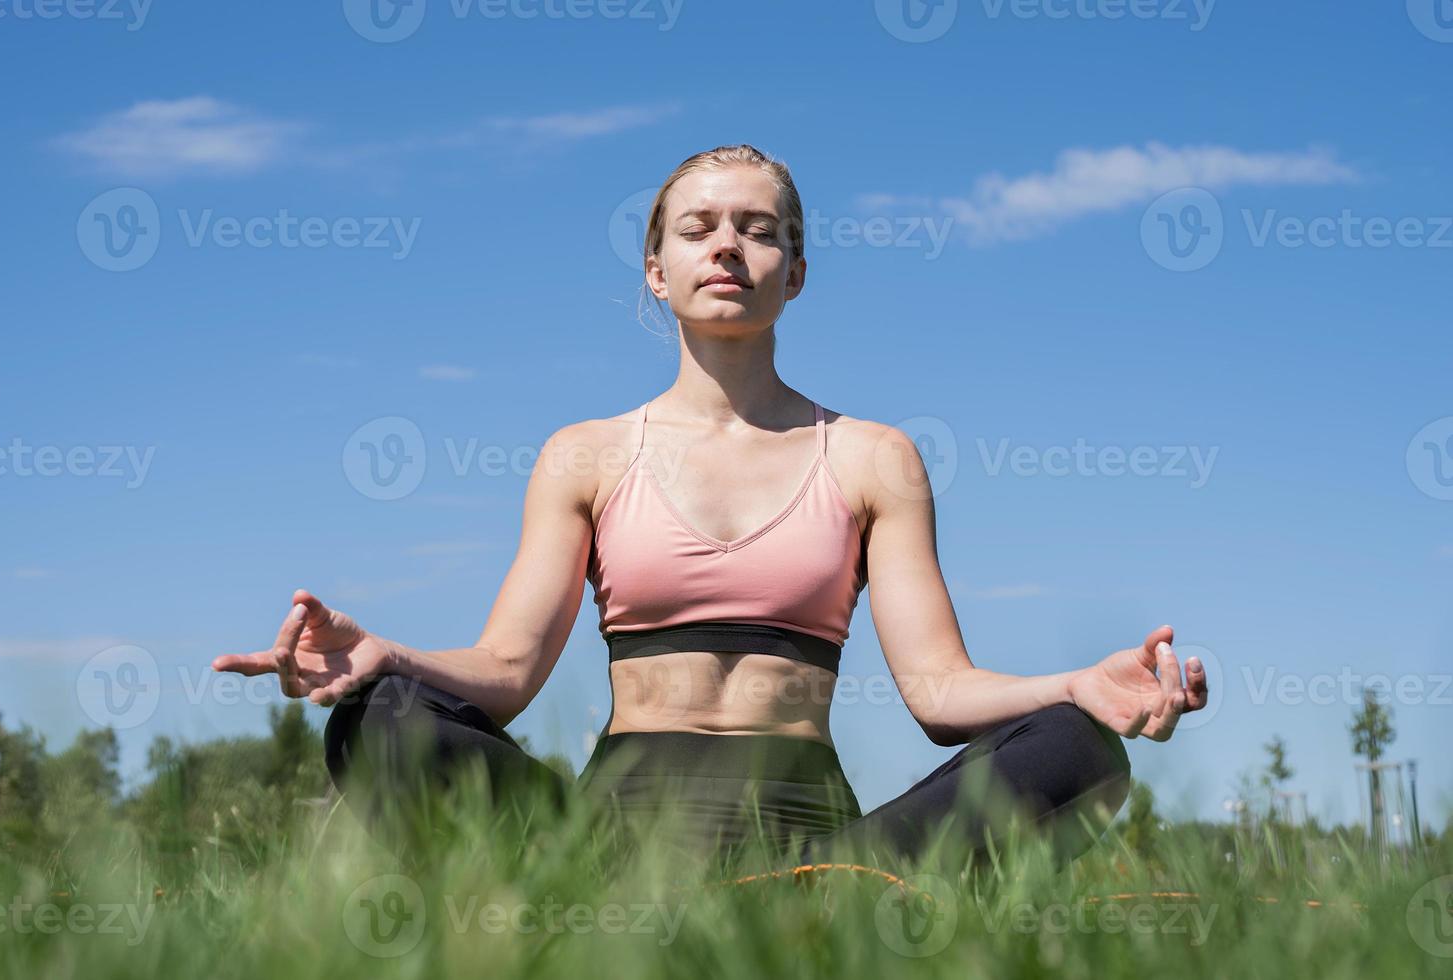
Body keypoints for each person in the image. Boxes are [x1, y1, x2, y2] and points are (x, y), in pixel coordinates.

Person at [211, 143, 1209, 880]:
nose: (726, 244)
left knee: (1075, 745)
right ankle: (590, 899)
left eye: (758, 228)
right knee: (373, 722)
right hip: (607, 840)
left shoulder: (873, 457)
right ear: (657, 269)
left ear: (796, 271)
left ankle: (821, 900)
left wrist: (1080, 682)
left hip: (815, 841)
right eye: (697, 227)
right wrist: (389, 657)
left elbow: (940, 690)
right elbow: (505, 674)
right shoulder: (586, 454)